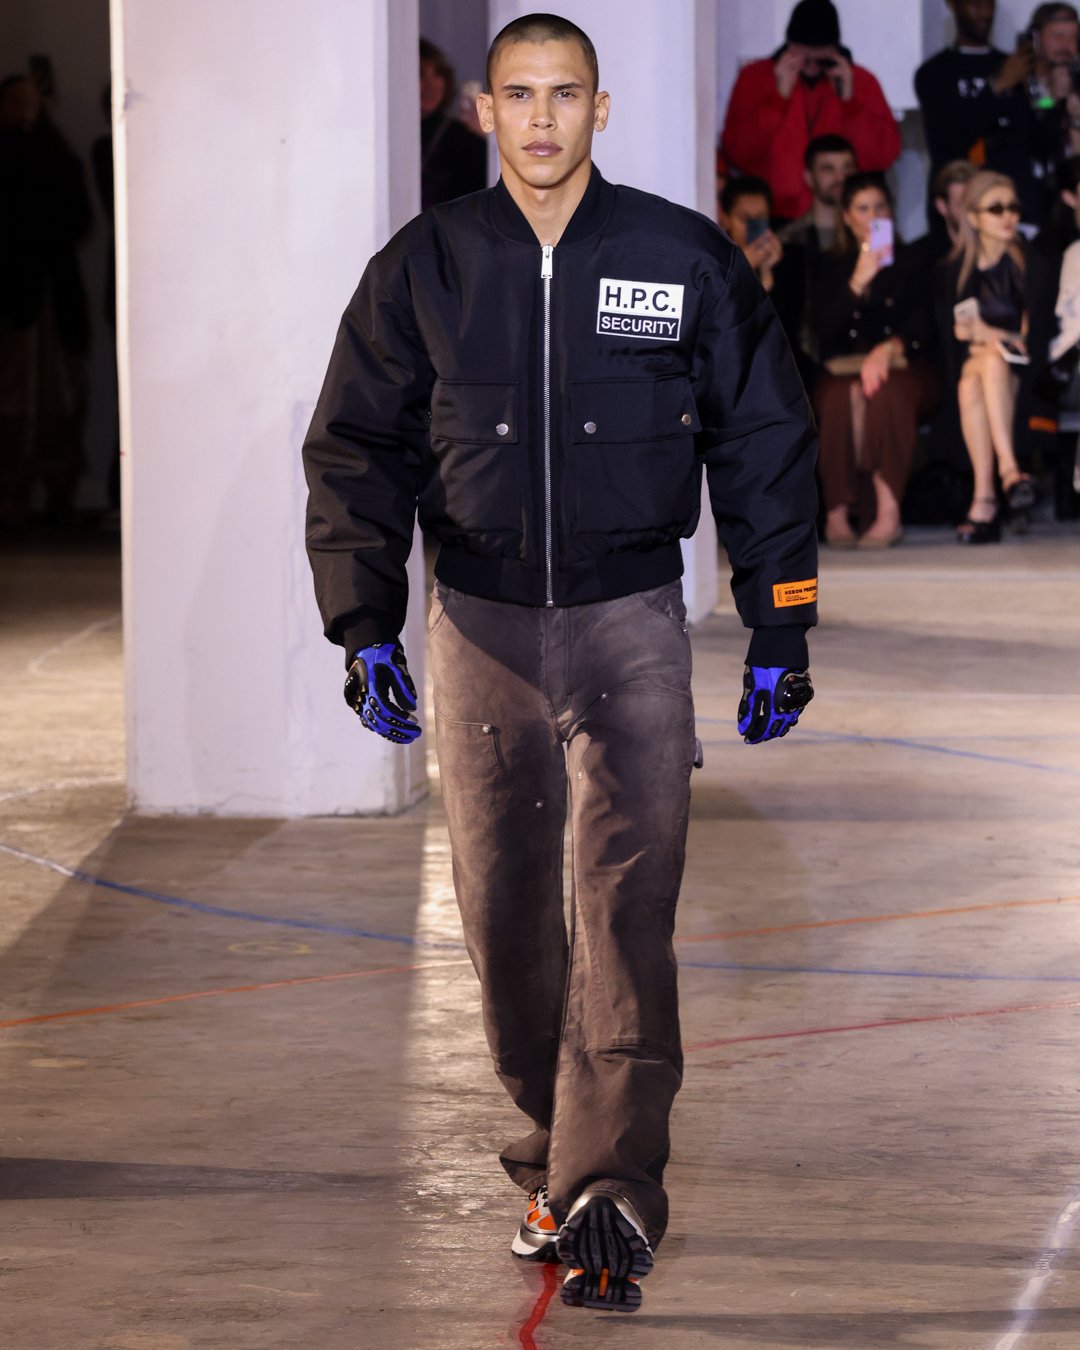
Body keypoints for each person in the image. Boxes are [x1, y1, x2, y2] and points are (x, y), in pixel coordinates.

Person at [303, 11, 818, 1315]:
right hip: (478, 631)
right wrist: (361, 620)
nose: (542, 119)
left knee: (627, 906)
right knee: (507, 915)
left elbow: (763, 435)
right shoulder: (426, 266)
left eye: (566, 94)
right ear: (484, 112)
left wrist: (780, 618)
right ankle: (554, 1140)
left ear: (602, 108)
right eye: (519, 95)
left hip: (630, 621)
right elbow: (357, 447)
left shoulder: (677, 257)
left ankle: (610, 1189)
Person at [809, 173, 941, 547]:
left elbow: (924, 324)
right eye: (863, 209)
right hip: (845, 369)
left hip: (906, 366)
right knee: (837, 396)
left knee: (885, 391)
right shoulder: (831, 265)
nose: (873, 216)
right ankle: (837, 511)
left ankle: (888, 509)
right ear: (847, 217)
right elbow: (823, 330)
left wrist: (888, 349)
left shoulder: (914, 260)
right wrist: (858, 281)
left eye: (880, 207)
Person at [0, 72, 92, 526]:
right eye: (14, 102)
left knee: (62, 392)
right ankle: (11, 492)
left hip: (55, 295)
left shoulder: (57, 155)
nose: (24, 109)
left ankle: (60, 491)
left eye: (30, 101)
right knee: (13, 394)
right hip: (15, 297)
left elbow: (78, 217)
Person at [942, 171, 1052, 541]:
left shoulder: (1033, 265)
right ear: (973, 218)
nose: (1009, 216)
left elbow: (1035, 341)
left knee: (987, 363)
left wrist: (991, 336)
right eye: (996, 209)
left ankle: (985, 497)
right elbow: (951, 348)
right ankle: (1008, 475)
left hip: (1025, 376)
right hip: (975, 377)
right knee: (974, 376)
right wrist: (981, 341)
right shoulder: (954, 272)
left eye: (1013, 207)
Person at [719, 0, 899, 222]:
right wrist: (777, 100)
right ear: (790, 46)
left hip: (849, 215)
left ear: (835, 49)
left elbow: (882, 157)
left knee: (879, 239)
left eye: (821, 59)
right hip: (774, 214)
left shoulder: (861, 81)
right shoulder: (755, 77)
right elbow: (738, 154)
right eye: (804, 58)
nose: (812, 66)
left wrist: (850, 104)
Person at [915, 0, 1078, 231]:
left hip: (1020, 206)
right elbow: (949, 140)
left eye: (989, 4)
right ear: (952, 5)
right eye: (974, 4)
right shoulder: (934, 72)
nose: (983, 12)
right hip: (961, 208)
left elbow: (1040, 143)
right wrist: (997, 86)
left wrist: (1053, 102)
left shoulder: (1014, 66)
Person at [419, 37, 487, 210]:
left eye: (437, 74)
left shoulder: (460, 136)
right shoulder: (389, 135)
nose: (431, 85)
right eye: (421, 75)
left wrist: (484, 139)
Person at [780, 133, 856, 254]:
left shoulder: (869, 233)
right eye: (828, 169)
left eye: (847, 168)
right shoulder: (789, 239)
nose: (841, 178)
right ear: (809, 178)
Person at [717, 175, 784, 293]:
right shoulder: (716, 264)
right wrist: (743, 267)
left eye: (759, 217)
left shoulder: (785, 261)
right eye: (744, 218)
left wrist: (767, 271)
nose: (753, 225)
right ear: (726, 219)